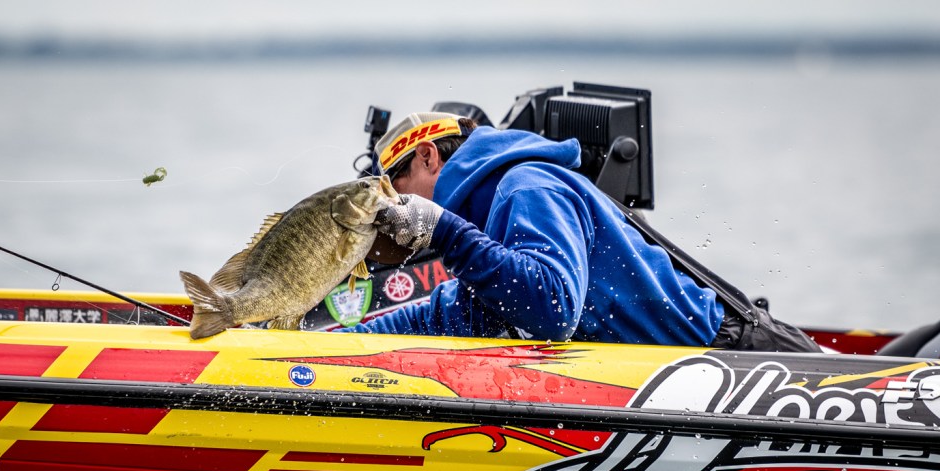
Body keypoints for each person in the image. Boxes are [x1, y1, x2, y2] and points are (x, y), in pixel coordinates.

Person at [343, 111, 820, 352]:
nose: (396, 208)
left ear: (428, 156)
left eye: (394, 188)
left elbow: (553, 309)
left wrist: (445, 231)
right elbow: (454, 315)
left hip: (737, 361)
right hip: (701, 367)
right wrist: (340, 344)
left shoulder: (527, 186)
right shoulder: (491, 213)